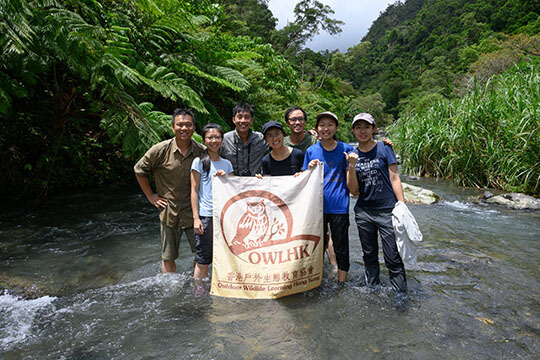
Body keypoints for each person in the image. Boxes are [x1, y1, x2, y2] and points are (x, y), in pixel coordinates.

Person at [134, 108, 205, 274]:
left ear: (194, 128)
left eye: (188, 125)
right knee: (168, 257)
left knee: (201, 255)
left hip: (194, 212)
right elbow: (139, 170)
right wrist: (151, 196)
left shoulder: (201, 151)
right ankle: (170, 292)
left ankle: (197, 288)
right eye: (179, 125)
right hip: (168, 211)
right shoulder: (160, 150)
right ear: (173, 127)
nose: (184, 128)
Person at [345, 113, 407, 294]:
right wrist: (351, 166)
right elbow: (353, 191)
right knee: (369, 255)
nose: (362, 131)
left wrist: (402, 205)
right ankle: (372, 290)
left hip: (387, 210)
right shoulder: (351, 154)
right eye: (358, 127)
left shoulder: (384, 148)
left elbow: (394, 177)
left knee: (392, 256)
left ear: (373, 129)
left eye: (366, 127)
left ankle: (400, 295)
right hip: (364, 211)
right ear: (353, 131)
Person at [303, 111, 354, 283]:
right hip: (316, 206)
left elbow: (352, 178)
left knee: (341, 245)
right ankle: (316, 279)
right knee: (316, 245)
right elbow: (304, 180)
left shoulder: (346, 149)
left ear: (336, 128)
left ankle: (342, 282)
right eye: (322, 125)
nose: (326, 128)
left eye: (330, 125)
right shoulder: (311, 151)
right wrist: (309, 169)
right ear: (317, 129)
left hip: (339, 205)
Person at [190, 124, 233, 280]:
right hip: (206, 216)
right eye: (210, 137)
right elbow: (194, 190)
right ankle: (198, 292)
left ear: (222, 139)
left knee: (223, 255)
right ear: (204, 140)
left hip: (224, 216)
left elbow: (235, 188)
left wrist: (226, 178)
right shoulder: (198, 162)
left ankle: (219, 286)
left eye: (217, 137)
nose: (214, 140)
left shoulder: (227, 164)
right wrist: (196, 218)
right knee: (203, 259)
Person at [221, 102, 268, 176]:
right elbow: (213, 158)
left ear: (251, 120)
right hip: (231, 184)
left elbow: (278, 149)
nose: (243, 121)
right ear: (233, 120)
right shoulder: (224, 140)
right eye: (239, 117)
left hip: (255, 183)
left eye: (247, 117)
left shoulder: (261, 139)